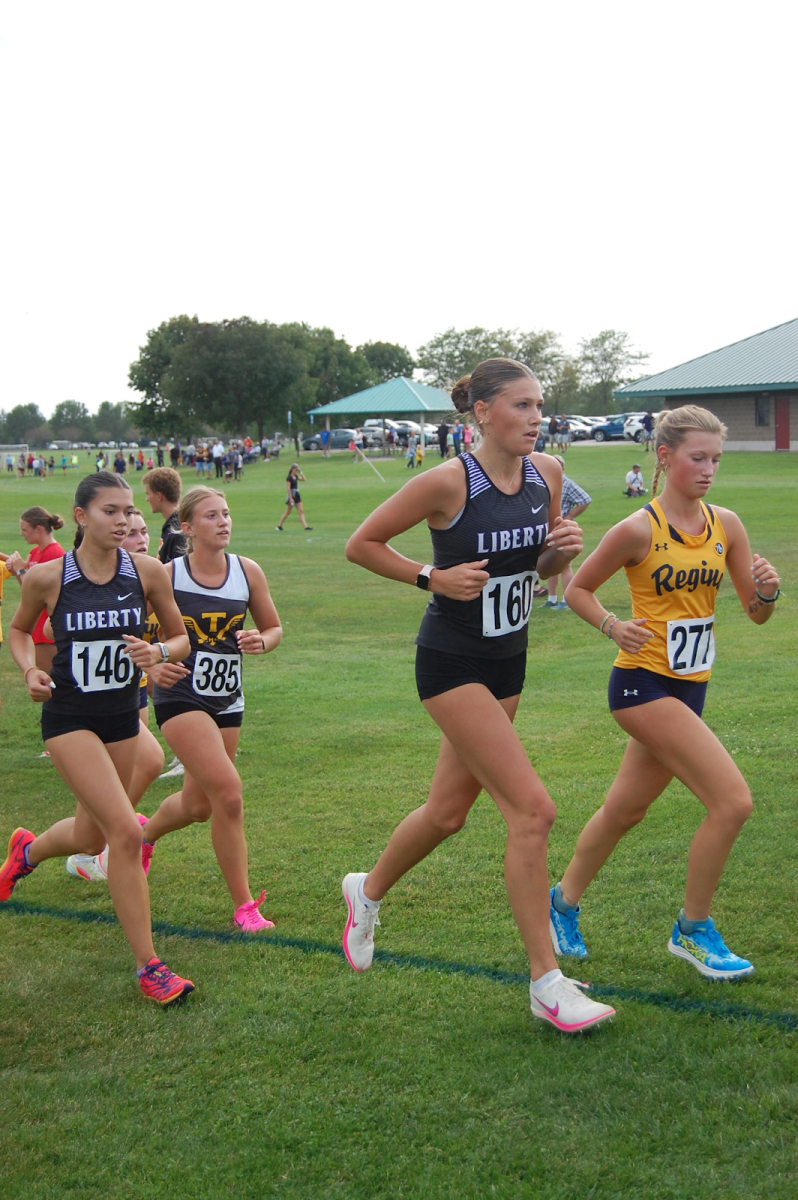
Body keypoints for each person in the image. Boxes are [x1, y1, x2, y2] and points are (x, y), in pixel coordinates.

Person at [341, 357, 615, 1034]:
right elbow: (362, 544)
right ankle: (546, 983)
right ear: (482, 411)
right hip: (451, 662)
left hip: (508, 663)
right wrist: (430, 576)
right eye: (521, 406)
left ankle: (365, 892)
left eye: (539, 406)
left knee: (446, 814)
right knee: (533, 811)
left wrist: (561, 550)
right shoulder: (446, 481)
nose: (535, 417)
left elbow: (544, 566)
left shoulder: (546, 473)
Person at [549, 406, 780, 981]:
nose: (708, 470)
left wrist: (769, 594)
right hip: (641, 684)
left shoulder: (726, 524)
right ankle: (693, 930)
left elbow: (755, 615)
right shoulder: (638, 530)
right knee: (732, 802)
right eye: (697, 458)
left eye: (716, 460)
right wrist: (612, 625)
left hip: (689, 688)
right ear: (665, 457)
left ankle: (561, 903)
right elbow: (578, 589)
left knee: (625, 809)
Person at [2, 471, 195, 1004]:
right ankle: (149, 966)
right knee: (124, 834)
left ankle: (26, 851)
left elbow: (179, 638)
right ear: (83, 516)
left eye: (130, 511)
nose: (126, 520)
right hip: (68, 718)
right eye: (111, 511)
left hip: (121, 717)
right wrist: (27, 672)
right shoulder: (48, 577)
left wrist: (158, 655)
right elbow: (19, 630)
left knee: (90, 837)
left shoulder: (147, 571)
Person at [138, 485, 283, 931]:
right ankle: (245, 907)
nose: (223, 522)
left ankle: (139, 836)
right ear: (187, 528)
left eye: (226, 514)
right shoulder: (167, 575)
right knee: (229, 793)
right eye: (211, 516)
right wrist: (154, 668)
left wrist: (263, 641)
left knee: (198, 804)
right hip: (180, 695)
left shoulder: (247, 571)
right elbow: (141, 639)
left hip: (228, 697)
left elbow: (274, 627)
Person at [64, 508, 167, 882]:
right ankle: (110, 837)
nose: (141, 539)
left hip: (131, 691)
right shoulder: (93, 583)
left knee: (107, 794)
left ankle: (37, 850)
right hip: (93, 703)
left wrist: (155, 660)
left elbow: (163, 638)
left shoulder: (150, 576)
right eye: (132, 533)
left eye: (144, 532)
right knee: (150, 760)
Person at [9, 506, 66, 674]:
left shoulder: (55, 554)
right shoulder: (35, 552)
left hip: (48, 629)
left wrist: (20, 571)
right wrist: (18, 571)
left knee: (52, 681)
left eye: (24, 529)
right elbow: (30, 592)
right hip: (36, 625)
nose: (22, 533)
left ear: (39, 529)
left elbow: (43, 592)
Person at [544, 456, 592, 609]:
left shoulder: (567, 483)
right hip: (550, 528)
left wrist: (571, 515)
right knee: (549, 563)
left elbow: (585, 499)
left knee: (565, 565)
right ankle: (551, 598)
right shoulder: (546, 481)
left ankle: (566, 600)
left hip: (563, 528)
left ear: (562, 468)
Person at [142, 467, 188, 563]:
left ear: (158, 496)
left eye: (148, 494)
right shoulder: (175, 523)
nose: (147, 499)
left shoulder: (177, 531)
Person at [276, 464, 313, 531]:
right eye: (296, 469)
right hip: (292, 494)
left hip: (297, 494)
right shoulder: (289, 477)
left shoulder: (295, 476)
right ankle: (279, 525)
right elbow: (288, 488)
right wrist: (290, 498)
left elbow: (304, 479)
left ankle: (306, 526)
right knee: (288, 511)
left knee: (301, 511)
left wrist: (300, 472)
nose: (296, 471)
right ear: (292, 469)